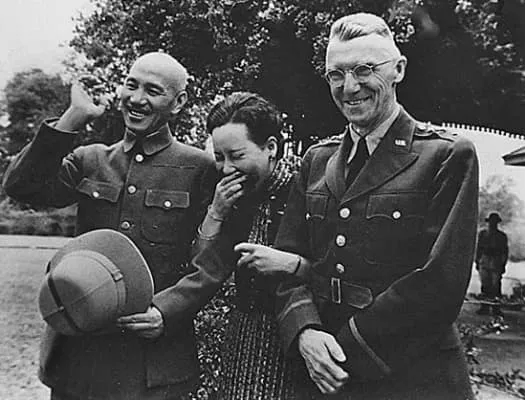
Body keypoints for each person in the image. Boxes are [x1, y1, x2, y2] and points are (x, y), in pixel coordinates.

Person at [273, 13, 479, 400]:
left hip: (411, 377)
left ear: (398, 69)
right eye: (336, 74)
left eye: (364, 69)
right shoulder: (317, 160)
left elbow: (440, 282)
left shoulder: (446, 156)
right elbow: (286, 262)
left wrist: (342, 349)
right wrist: (305, 331)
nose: (349, 87)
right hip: (323, 375)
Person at [3, 52, 217, 400]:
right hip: (78, 357)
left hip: (151, 366)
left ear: (178, 102)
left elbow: (212, 260)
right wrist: (74, 116)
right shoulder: (90, 159)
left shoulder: (201, 169)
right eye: (131, 85)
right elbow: (20, 186)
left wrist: (168, 311)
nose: (137, 99)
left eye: (153, 90)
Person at [183, 91, 308, 399]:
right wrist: (216, 212)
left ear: (271, 147)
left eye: (237, 156)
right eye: (219, 157)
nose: (227, 168)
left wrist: (292, 265)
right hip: (244, 337)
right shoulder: (230, 196)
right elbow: (204, 267)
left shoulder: (306, 188)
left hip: (298, 334)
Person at [476, 212, 509, 316]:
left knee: (496, 286)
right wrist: (477, 261)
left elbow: (505, 251)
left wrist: (503, 264)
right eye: (491, 222)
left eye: (494, 222)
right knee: (485, 285)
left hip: (496, 261)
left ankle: (496, 308)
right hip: (485, 260)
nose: (492, 224)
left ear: (497, 223)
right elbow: (479, 248)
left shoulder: (501, 236)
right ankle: (484, 307)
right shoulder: (482, 234)